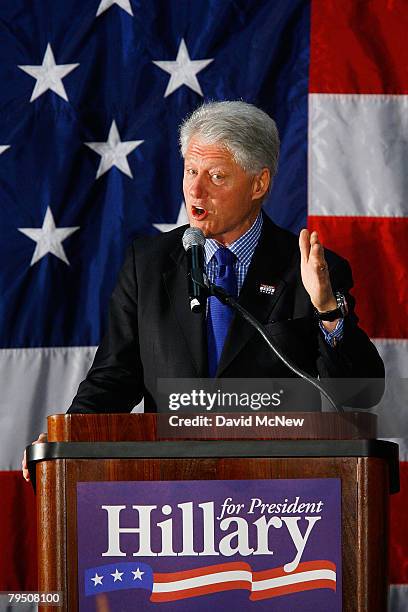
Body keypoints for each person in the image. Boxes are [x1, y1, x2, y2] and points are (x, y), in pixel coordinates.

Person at [22, 101, 384, 480]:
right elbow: (115, 376)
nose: (195, 190)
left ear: (258, 183)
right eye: (191, 171)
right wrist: (68, 435)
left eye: (216, 176)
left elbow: (360, 394)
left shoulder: (310, 270)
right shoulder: (147, 263)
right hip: (172, 494)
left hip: (278, 495)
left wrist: (326, 310)